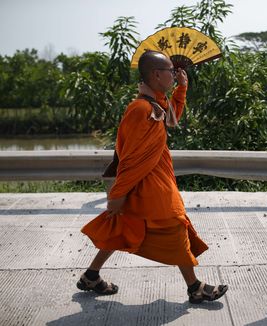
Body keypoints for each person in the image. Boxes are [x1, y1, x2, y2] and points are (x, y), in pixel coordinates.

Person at [77, 50, 228, 304]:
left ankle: (91, 276)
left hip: (153, 179)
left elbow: (172, 118)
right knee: (174, 224)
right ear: (156, 75)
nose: (174, 74)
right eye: (170, 71)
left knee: (123, 228)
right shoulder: (140, 109)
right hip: (148, 184)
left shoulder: (156, 104)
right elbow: (130, 157)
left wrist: (182, 88)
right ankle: (195, 287)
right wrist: (117, 194)